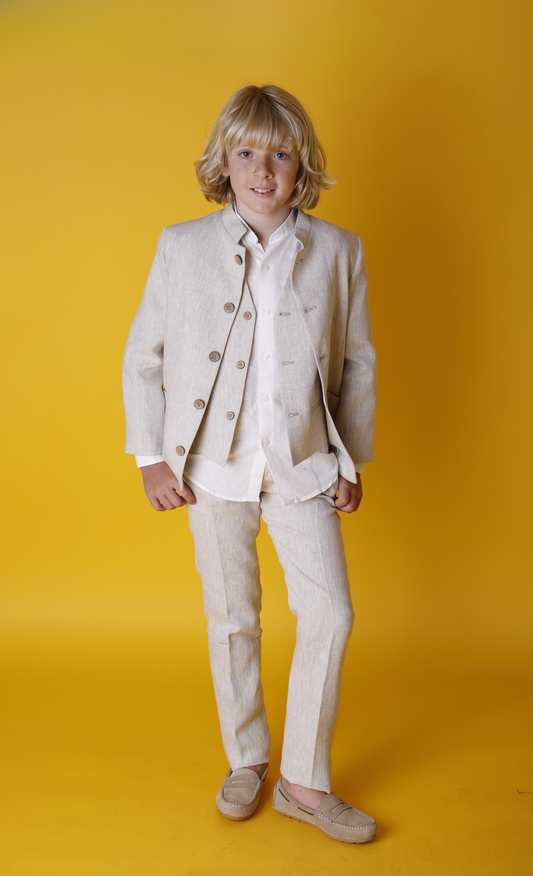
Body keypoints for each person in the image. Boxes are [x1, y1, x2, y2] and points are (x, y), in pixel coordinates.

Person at [122, 84, 377, 843]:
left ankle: (303, 780)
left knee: (329, 613)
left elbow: (356, 364)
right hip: (210, 469)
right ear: (223, 163)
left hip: (302, 465)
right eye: (246, 153)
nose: (262, 171)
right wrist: (151, 457)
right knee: (232, 618)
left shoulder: (339, 251)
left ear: (302, 165)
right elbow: (144, 355)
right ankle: (246, 758)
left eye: (280, 154)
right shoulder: (181, 246)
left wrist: (350, 459)